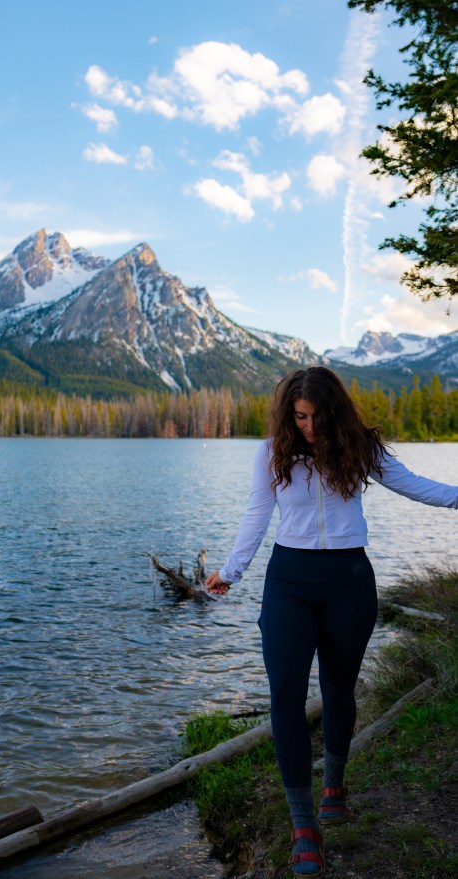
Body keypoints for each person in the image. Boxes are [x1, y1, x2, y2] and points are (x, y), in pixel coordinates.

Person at [204, 366, 458, 879]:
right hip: (289, 583)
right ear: (289, 414)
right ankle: (304, 826)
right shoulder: (272, 452)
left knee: (339, 691)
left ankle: (334, 786)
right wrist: (231, 571)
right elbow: (257, 513)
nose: (309, 427)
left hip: (349, 583)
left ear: (335, 412)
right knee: (286, 695)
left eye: (318, 417)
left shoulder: (360, 448)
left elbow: (414, 486)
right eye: (300, 417)